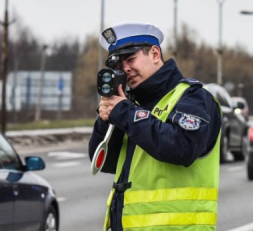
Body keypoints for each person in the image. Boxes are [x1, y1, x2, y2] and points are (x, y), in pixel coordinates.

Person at [89, 22, 222, 231]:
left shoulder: (194, 98)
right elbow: (103, 163)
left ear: (154, 54)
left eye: (131, 59)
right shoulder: (132, 106)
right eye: (119, 64)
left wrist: (125, 113)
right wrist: (105, 121)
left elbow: (182, 148)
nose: (125, 69)